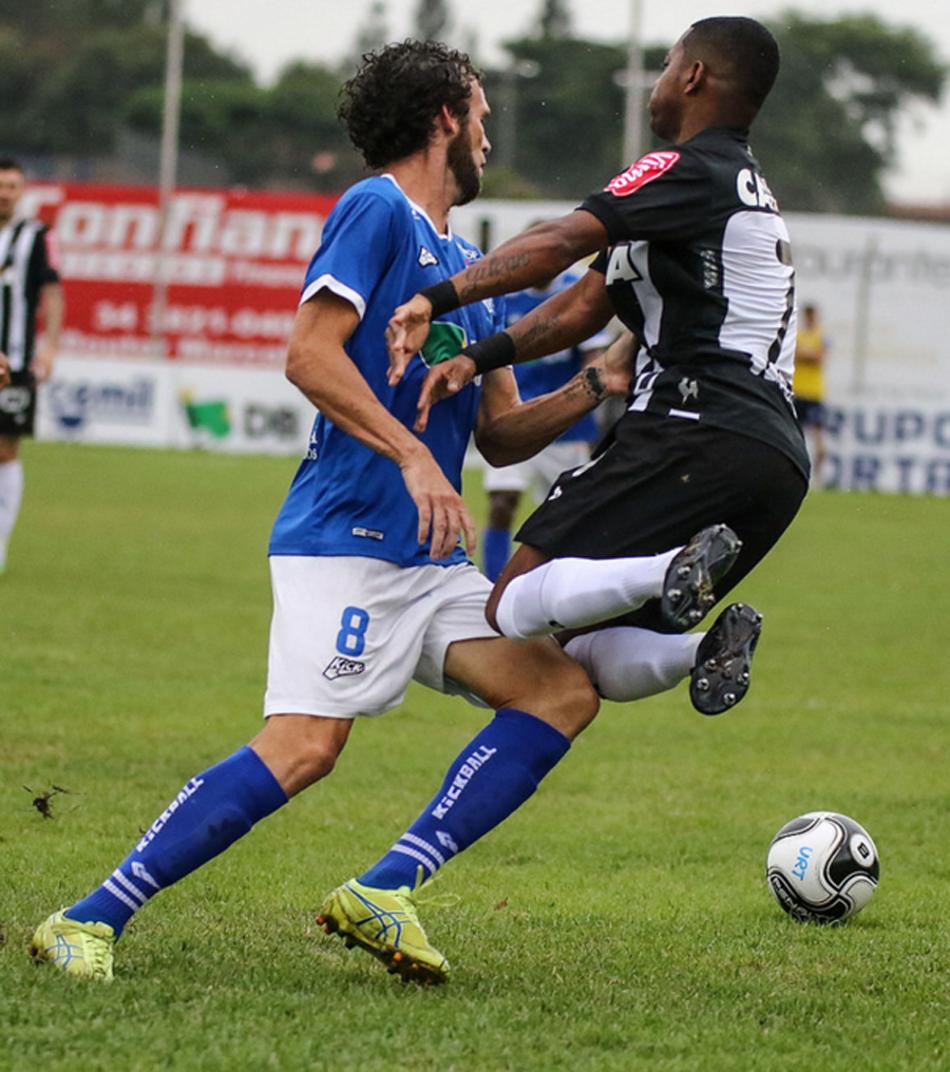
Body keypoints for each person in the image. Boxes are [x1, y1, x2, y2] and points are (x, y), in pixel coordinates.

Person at [31, 40, 716, 987]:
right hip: (344, 541)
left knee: (559, 692)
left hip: (427, 563)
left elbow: (506, 434)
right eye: (478, 113)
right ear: (443, 119)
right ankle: (83, 918)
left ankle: (384, 889)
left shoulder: (469, 266)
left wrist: (597, 382)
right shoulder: (375, 209)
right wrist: (409, 460)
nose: (487, 131)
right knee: (308, 744)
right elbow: (307, 354)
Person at [387, 17, 811, 715]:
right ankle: (699, 651)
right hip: (773, 460)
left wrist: (436, 298)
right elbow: (583, 307)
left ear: (694, 76)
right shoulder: (733, 191)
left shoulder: (686, 169)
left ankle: (664, 569)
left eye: (669, 63)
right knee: (575, 654)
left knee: (512, 604)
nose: (661, 79)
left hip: (693, 426)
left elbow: (555, 244)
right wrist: (480, 355)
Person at [482, 269, 610, 581]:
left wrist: (586, 408)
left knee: (567, 517)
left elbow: (594, 358)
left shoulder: (575, 292)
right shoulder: (506, 297)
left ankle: (561, 588)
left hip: (562, 428)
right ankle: (492, 586)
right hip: (512, 420)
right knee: (502, 502)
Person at [0, 158, 63, 574]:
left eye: (12, 186)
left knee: (6, 450)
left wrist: (50, 347)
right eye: (1, 186)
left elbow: (53, 291)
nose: (5, 193)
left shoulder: (37, 236)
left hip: (16, 359)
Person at [793, 303, 828, 483]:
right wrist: (810, 354)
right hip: (797, 392)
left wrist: (806, 354)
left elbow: (820, 357)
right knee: (796, 438)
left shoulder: (821, 335)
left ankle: (819, 479)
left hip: (814, 393)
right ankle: (800, 476)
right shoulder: (796, 334)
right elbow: (795, 354)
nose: (810, 319)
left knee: (819, 439)